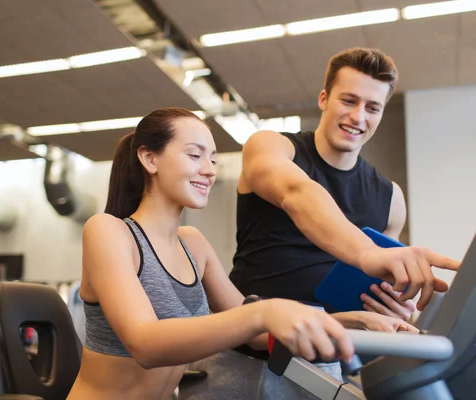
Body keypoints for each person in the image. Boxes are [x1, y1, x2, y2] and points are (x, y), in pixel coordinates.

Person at [66, 107, 414, 400]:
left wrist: (352, 322)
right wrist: (264, 311)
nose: (209, 169)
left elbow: (258, 336)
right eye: (194, 154)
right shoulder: (109, 231)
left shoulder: (193, 244)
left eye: (213, 158)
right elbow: (146, 344)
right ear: (149, 158)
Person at [230, 47, 461, 322]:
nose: (358, 117)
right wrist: (368, 254)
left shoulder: (390, 197)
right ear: (324, 99)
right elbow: (297, 194)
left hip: (334, 352)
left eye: (372, 108)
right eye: (349, 101)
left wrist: (397, 306)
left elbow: (383, 288)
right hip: (248, 341)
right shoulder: (271, 146)